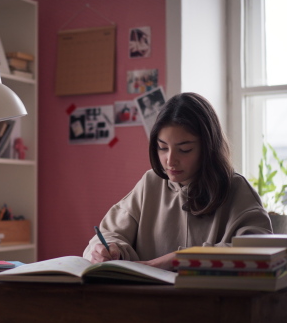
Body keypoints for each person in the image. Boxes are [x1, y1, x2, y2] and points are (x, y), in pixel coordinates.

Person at [83, 92, 272, 270]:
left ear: (208, 147)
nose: (170, 160)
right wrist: (109, 249)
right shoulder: (151, 183)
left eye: (185, 149)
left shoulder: (236, 189)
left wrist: (175, 260)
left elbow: (260, 251)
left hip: (213, 302)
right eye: (162, 147)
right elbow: (107, 235)